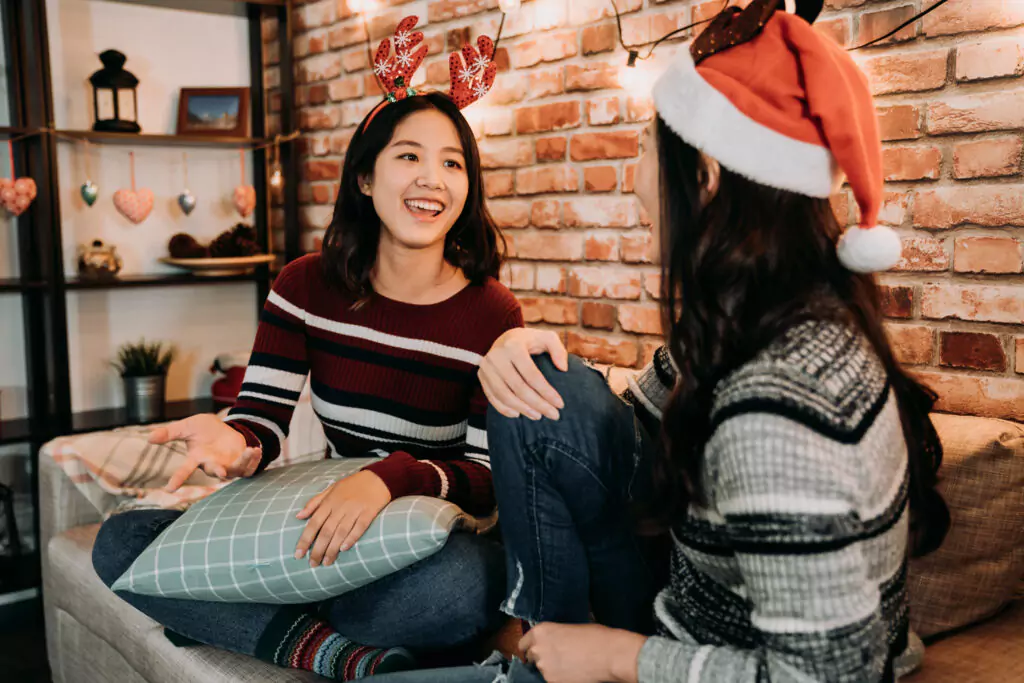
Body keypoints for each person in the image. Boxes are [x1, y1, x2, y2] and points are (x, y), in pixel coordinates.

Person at [366, 3, 952, 682]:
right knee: (541, 386)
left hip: (686, 658)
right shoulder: (750, 318)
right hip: (674, 614)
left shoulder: (778, 410)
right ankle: (545, 649)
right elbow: (628, 428)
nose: (636, 172)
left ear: (702, 176)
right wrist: (521, 355)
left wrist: (616, 657)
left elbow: (826, 675)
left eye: (648, 144)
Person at [91, 88, 523, 681]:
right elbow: (261, 420)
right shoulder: (304, 286)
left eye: (453, 163)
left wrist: (388, 478)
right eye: (409, 157)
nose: (433, 179)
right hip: (320, 521)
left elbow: (487, 478)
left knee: (467, 585)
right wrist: (234, 439)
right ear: (365, 178)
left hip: (421, 542)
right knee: (121, 541)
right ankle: (337, 653)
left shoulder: (492, 314)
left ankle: (249, 616)